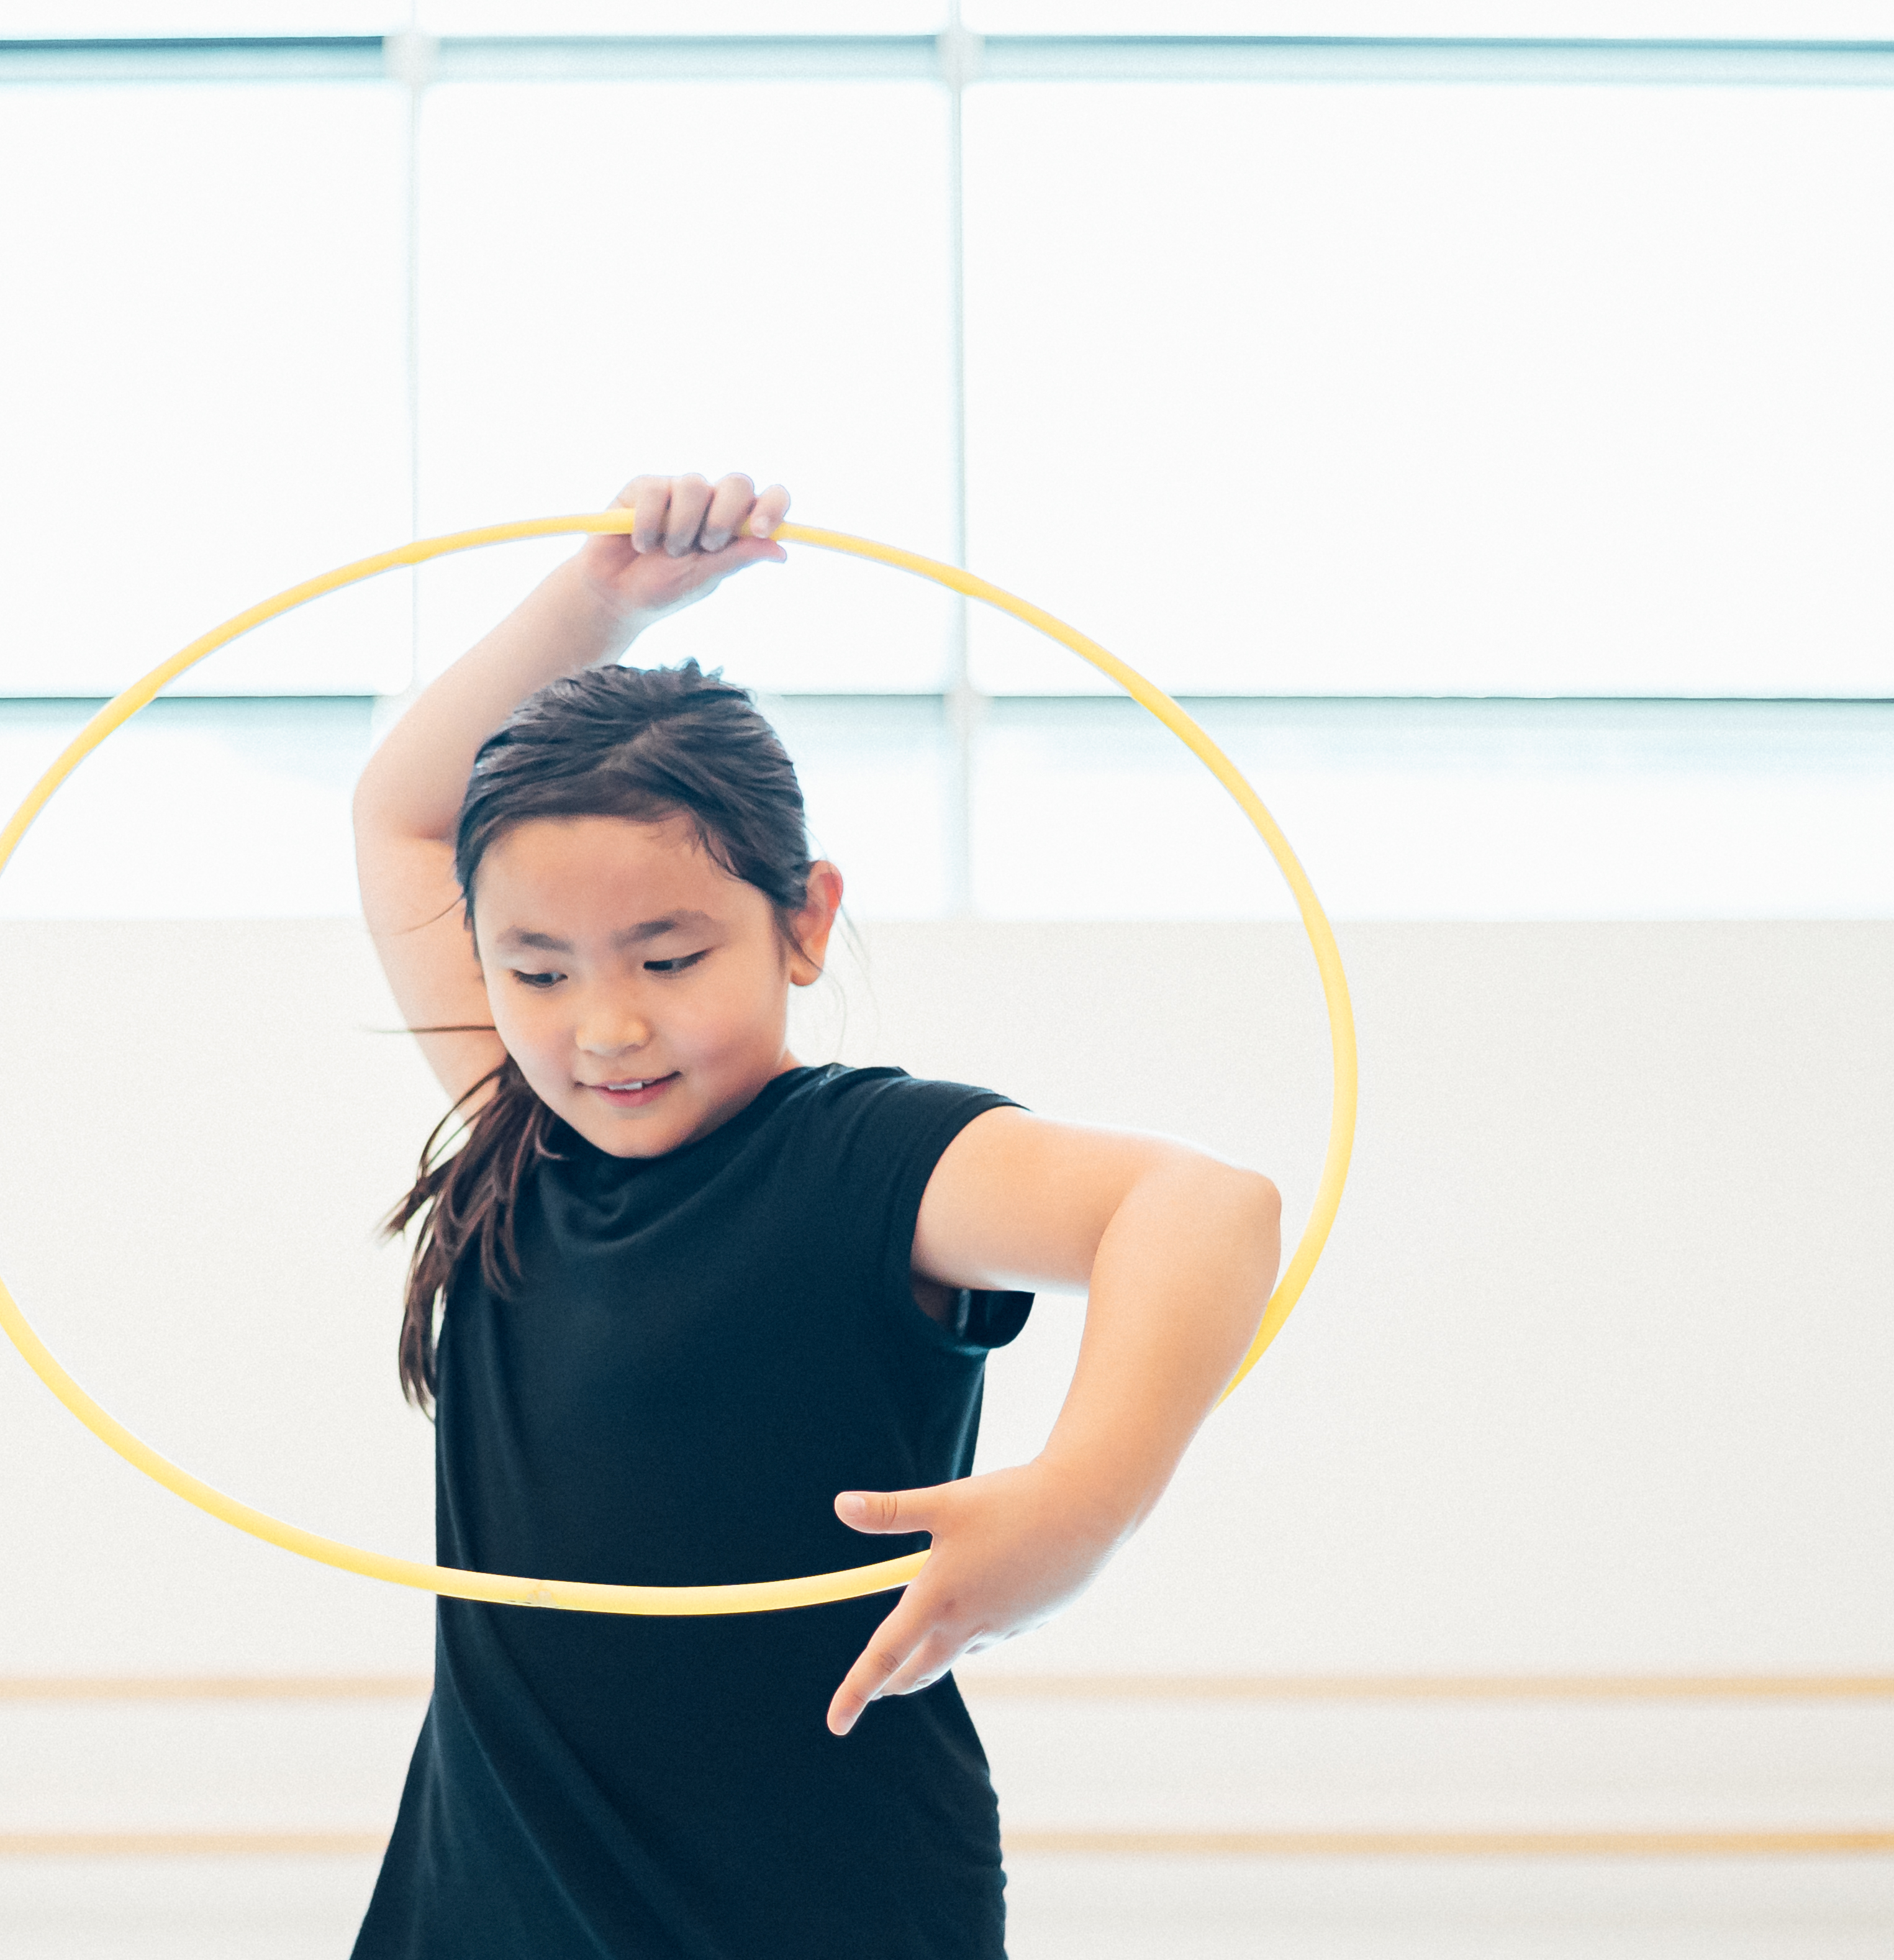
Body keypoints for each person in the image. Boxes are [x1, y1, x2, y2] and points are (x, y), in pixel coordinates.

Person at [348, 471, 1282, 1959]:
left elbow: (1205, 1208)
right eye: (536, 972)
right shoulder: (526, 1137)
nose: (603, 1026)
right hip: (490, 1907)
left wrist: (1077, 1509)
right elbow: (405, 813)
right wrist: (597, 601)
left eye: (667, 960)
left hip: (818, 1907)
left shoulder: (863, 1160)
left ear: (806, 919)